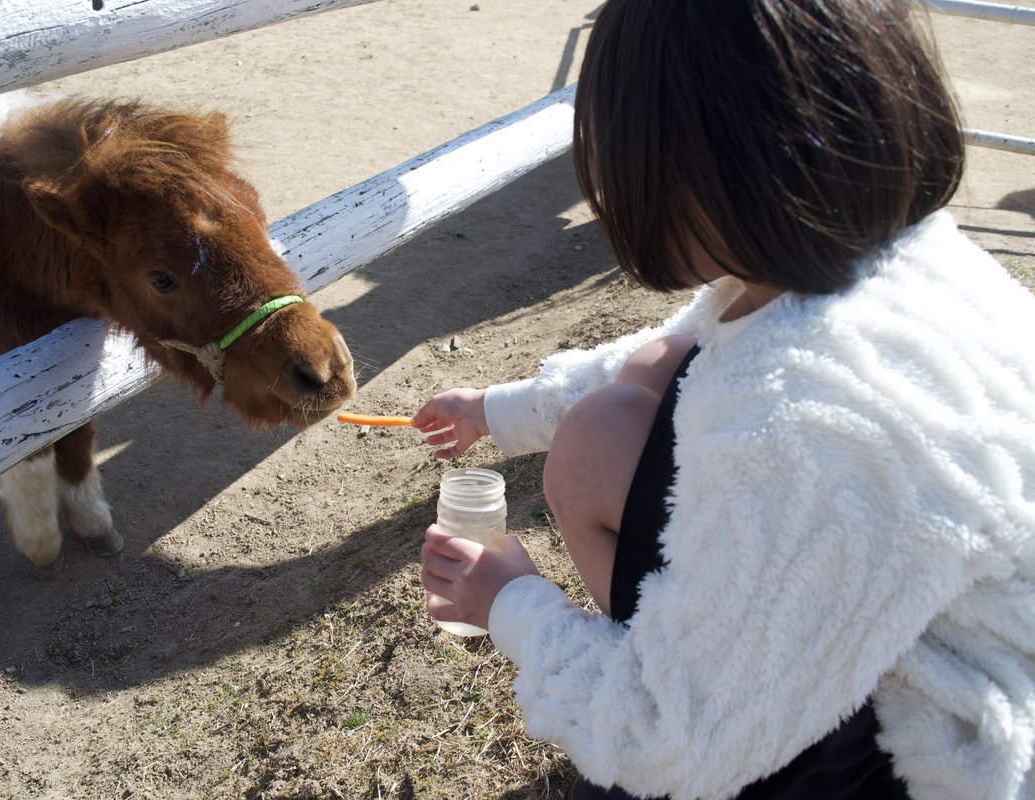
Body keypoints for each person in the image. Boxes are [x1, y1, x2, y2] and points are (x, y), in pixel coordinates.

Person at [411, 1, 1035, 798]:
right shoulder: (895, 262)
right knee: (635, 393)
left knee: (670, 742)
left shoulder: (795, 427)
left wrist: (512, 606)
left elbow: (667, 738)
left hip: (940, 760)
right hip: (962, 655)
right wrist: (494, 411)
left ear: (682, 168)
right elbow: (674, 350)